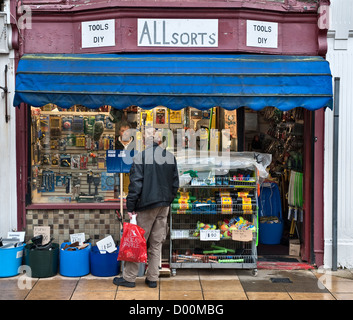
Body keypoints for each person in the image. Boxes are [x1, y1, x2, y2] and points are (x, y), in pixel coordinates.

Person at [113, 128, 179, 288]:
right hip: (164, 206)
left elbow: (136, 185)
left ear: (145, 142)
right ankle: (152, 278)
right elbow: (175, 184)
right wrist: (167, 201)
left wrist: (131, 206)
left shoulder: (140, 157)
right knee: (156, 243)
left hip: (146, 206)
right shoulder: (170, 157)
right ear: (160, 140)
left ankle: (129, 278)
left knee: (137, 241)